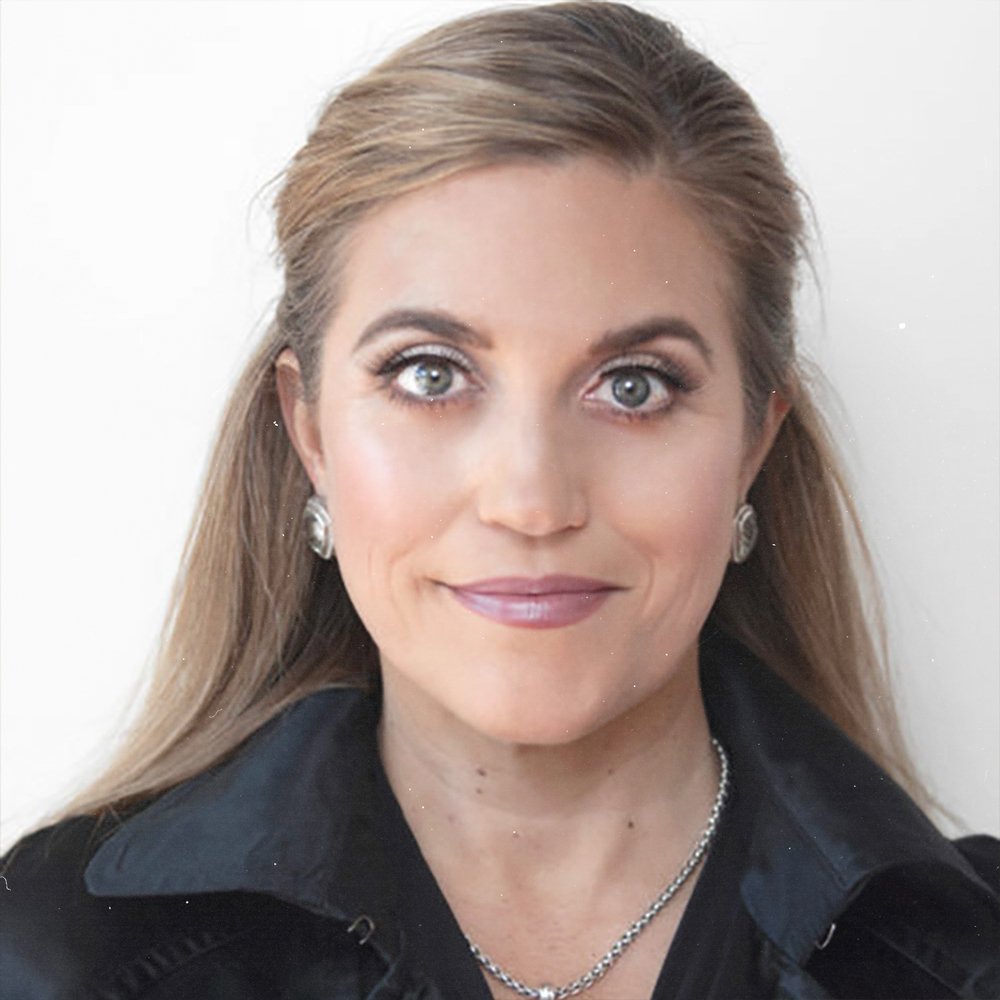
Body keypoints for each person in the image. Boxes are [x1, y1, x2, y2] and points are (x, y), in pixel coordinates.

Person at [1, 2, 997, 998]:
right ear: (310, 432)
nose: (531, 500)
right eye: (430, 374)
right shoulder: (53, 957)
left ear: (752, 444)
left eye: (636, 385)